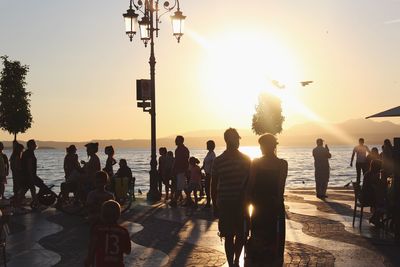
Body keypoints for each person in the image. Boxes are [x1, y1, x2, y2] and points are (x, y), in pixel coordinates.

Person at [245, 133, 288, 266]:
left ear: (267, 146)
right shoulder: (282, 164)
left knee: (258, 236)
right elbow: (280, 188)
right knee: (274, 237)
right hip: (273, 204)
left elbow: (250, 185)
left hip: (259, 205)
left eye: (262, 145)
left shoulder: (256, 162)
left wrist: (246, 203)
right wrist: (278, 204)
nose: (260, 148)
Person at [211, 128, 251, 267]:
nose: (238, 142)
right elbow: (213, 184)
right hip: (227, 203)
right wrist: (214, 204)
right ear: (228, 140)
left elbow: (250, 183)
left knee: (241, 234)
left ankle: (235, 260)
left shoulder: (246, 160)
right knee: (229, 235)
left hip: (240, 203)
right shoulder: (218, 161)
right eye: (236, 139)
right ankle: (231, 262)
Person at [85, 200, 131, 267]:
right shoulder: (123, 231)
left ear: (102, 215)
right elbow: (127, 251)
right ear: (118, 215)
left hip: (100, 263)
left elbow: (92, 246)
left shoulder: (98, 230)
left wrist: (89, 260)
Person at [361, 159, 385, 227]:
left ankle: (375, 218)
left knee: (381, 201)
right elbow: (377, 186)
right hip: (368, 198)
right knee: (383, 203)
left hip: (364, 196)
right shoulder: (374, 175)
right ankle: (375, 219)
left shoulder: (367, 173)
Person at [170, 136, 189, 207]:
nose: (175, 141)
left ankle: (174, 201)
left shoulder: (181, 150)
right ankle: (189, 200)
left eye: (176, 140)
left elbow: (179, 161)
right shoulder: (181, 149)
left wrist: (175, 169)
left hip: (181, 170)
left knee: (179, 187)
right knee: (183, 186)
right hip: (180, 170)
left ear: (180, 141)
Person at [202, 140, 216, 208]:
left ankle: (209, 202)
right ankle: (208, 202)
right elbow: (205, 163)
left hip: (210, 174)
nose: (206, 146)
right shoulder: (208, 154)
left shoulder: (212, 155)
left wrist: (211, 173)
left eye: (207, 145)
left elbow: (213, 165)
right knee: (206, 188)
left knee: (208, 188)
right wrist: (201, 169)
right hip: (206, 173)